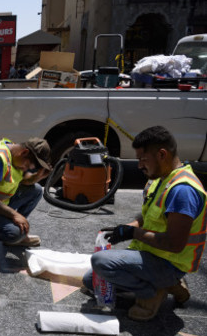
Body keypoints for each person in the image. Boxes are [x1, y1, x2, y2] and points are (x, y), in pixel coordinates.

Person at [82, 126, 206, 321]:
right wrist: (129, 226)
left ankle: (152, 290)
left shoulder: (183, 191)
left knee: (100, 262)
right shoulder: (160, 179)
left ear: (162, 154)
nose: (139, 165)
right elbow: (149, 213)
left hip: (169, 263)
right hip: (151, 254)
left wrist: (133, 233)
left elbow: (175, 244)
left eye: (143, 159)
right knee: (91, 280)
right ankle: (169, 285)